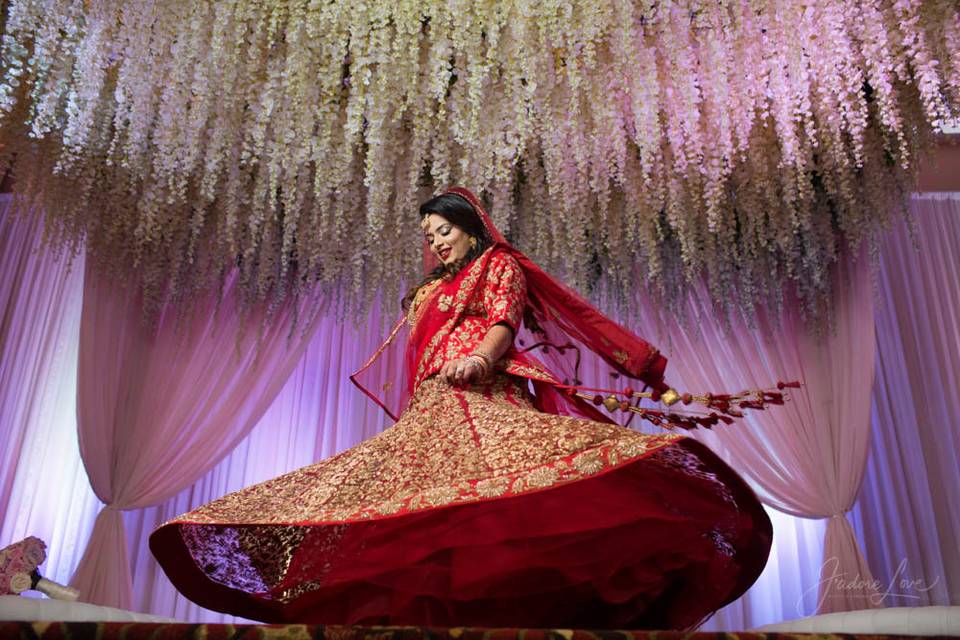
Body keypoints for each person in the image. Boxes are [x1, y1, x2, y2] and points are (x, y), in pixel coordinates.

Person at [150, 187, 772, 630]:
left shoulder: (497, 265)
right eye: (427, 236)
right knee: (419, 505)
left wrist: (479, 358)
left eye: (442, 230)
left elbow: (502, 322)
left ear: (469, 226)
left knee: (512, 493)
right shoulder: (430, 289)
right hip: (433, 408)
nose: (435, 242)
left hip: (483, 394)